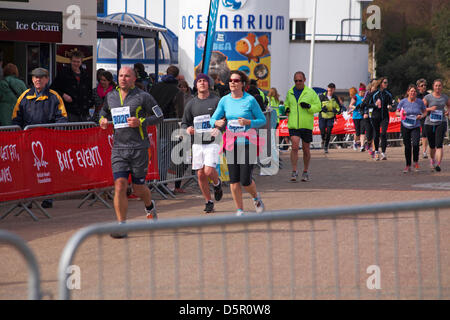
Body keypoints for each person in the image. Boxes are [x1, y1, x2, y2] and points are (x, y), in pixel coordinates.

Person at [99, 66, 164, 239]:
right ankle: (122, 225)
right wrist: (102, 120)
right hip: (119, 149)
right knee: (120, 185)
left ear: (134, 78)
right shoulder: (111, 96)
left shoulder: (143, 96)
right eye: (120, 76)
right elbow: (103, 111)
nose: (123, 79)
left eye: (127, 76)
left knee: (138, 188)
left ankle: (149, 206)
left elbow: (159, 115)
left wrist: (141, 121)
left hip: (139, 148)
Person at [210, 70, 266, 216]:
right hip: (231, 142)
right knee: (234, 180)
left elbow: (262, 120)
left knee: (245, 180)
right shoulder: (224, 100)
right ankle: (240, 210)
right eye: (231, 80)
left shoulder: (250, 100)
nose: (233, 83)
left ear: (242, 83)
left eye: (236, 80)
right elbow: (213, 119)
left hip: (248, 141)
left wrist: (249, 122)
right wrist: (216, 122)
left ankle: (256, 198)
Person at [12, 67, 68, 209]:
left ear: (47, 79)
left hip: (47, 141)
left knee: (47, 170)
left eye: (42, 77)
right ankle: (28, 198)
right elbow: (16, 118)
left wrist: (55, 136)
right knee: (27, 170)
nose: (38, 79)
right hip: (28, 141)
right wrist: (18, 135)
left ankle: (47, 198)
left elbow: (62, 118)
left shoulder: (54, 96)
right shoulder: (24, 96)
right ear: (32, 80)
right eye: (35, 77)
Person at [181, 73, 223, 213]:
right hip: (197, 143)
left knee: (208, 170)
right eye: (199, 81)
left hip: (212, 141)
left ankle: (217, 184)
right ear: (195, 85)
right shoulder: (191, 103)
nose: (202, 83)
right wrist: (188, 129)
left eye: (205, 81)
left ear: (209, 84)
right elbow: (184, 122)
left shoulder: (216, 101)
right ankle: (208, 201)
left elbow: (225, 118)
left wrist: (218, 127)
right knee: (200, 174)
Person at [150, 65, 185, 186]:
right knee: (164, 155)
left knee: (153, 154)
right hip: (168, 125)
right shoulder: (176, 91)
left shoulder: (154, 87)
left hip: (152, 124)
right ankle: (161, 182)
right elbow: (180, 111)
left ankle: (151, 180)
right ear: (177, 76)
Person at [284, 71, 321, 182]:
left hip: (306, 125)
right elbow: (286, 103)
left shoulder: (310, 92)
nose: (298, 82)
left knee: (306, 149)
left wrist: (309, 106)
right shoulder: (290, 92)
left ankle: (305, 171)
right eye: (296, 80)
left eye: (300, 80)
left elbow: (318, 106)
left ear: (304, 80)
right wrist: (286, 108)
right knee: (294, 146)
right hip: (293, 124)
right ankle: (294, 171)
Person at [50, 51, 93, 122]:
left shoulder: (86, 74)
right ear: (70, 61)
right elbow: (53, 88)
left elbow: (89, 91)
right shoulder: (63, 73)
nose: (76, 64)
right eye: (74, 61)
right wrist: (63, 95)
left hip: (84, 111)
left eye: (78, 62)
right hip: (69, 110)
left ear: (81, 62)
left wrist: (89, 103)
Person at [396, 85, 427, 173]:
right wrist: (402, 114)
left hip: (416, 125)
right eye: (411, 91)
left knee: (416, 144)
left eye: (414, 91)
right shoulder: (403, 102)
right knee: (407, 146)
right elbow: (396, 112)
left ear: (416, 93)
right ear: (408, 92)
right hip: (405, 125)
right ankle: (408, 165)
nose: (413, 93)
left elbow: (425, 112)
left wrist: (421, 116)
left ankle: (416, 162)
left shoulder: (420, 102)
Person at [423, 79, 449, 172]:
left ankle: (438, 164)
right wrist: (430, 109)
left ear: (442, 87)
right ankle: (432, 160)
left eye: (439, 85)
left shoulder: (445, 97)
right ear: (433, 86)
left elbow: (449, 105)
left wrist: (447, 111)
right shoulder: (428, 97)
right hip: (429, 123)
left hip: (441, 122)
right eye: (436, 85)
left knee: (439, 144)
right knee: (432, 145)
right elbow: (422, 108)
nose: (438, 87)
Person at [371, 77, 395, 161]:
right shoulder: (374, 94)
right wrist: (375, 105)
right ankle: (376, 151)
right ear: (381, 83)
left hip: (385, 116)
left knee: (384, 133)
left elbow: (393, 104)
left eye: (387, 82)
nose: (386, 84)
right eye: (385, 82)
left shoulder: (388, 94)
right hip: (375, 116)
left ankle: (383, 152)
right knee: (376, 134)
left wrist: (391, 107)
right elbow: (367, 104)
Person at [318, 83, 342, 153]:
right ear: (327, 89)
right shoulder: (322, 96)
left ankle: (326, 146)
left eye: (331, 90)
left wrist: (336, 111)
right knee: (322, 130)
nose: (330, 92)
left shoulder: (335, 98)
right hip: (322, 116)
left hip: (331, 117)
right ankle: (323, 138)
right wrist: (322, 109)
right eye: (329, 90)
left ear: (334, 90)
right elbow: (317, 106)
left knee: (329, 132)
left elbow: (339, 108)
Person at [347, 86, 366, 152]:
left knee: (362, 132)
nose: (364, 93)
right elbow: (350, 105)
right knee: (357, 133)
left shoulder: (365, 98)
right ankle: (355, 142)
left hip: (363, 116)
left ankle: (362, 146)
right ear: (360, 91)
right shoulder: (356, 97)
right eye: (363, 92)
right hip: (356, 117)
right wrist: (355, 107)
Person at [416, 78, 429, 159]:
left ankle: (424, 151)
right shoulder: (415, 95)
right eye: (422, 85)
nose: (424, 87)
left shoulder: (428, 95)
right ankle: (416, 150)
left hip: (426, 116)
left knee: (424, 134)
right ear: (418, 87)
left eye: (425, 85)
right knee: (416, 135)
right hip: (416, 117)